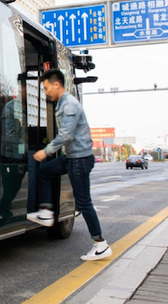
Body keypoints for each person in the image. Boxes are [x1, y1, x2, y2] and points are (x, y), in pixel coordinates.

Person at [32, 68, 112, 261]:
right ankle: (45, 211)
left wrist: (46, 151)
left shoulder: (69, 105)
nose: (46, 92)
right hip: (71, 158)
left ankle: (100, 243)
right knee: (43, 173)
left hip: (79, 160)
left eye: (46, 88)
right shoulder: (62, 103)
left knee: (84, 203)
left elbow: (66, 135)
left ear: (56, 84)